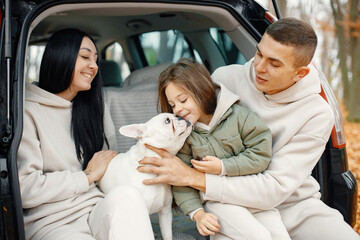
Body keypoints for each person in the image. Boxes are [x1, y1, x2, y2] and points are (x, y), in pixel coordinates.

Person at [138, 17, 360, 239]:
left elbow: (274, 188)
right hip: (227, 202)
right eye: (259, 53)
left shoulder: (317, 113)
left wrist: (191, 177)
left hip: (293, 204)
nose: (260, 67)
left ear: (299, 73)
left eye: (274, 63)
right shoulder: (224, 79)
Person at [17, 28, 154, 240]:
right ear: (61, 57)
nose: (94, 66)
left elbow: (109, 166)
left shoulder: (96, 108)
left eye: (96, 59)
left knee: (128, 195)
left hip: (95, 208)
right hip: (51, 223)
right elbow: (25, 189)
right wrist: (87, 177)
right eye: (85, 57)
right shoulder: (27, 112)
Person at [157, 58, 291, 239]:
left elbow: (261, 154)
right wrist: (198, 214)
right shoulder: (185, 138)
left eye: (183, 100)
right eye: (173, 105)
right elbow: (181, 182)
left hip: (251, 197)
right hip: (218, 202)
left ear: (201, 90)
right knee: (259, 236)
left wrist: (223, 167)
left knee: (280, 236)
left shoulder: (239, 116)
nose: (178, 110)